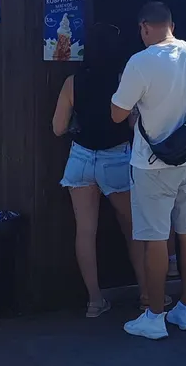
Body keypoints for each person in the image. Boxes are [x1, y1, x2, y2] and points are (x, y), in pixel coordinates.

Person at [111, 2, 186, 339]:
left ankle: (154, 316)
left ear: (144, 27)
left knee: (155, 239)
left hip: (152, 164)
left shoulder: (140, 62)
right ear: (172, 24)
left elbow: (117, 114)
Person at [53, 23, 146, 318]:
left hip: (80, 157)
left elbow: (57, 128)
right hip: (116, 159)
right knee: (133, 230)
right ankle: (147, 296)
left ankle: (94, 301)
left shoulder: (73, 82)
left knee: (85, 231)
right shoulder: (123, 80)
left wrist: (77, 126)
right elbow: (132, 125)